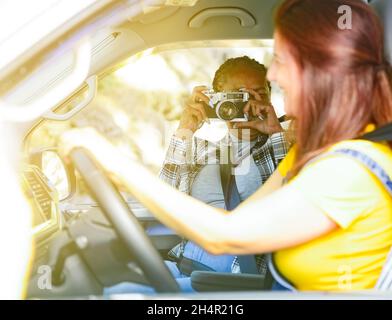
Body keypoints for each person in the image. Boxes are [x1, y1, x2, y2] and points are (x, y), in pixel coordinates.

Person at [61, 0, 392, 291]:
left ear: (319, 70)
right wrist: (185, 131)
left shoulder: (349, 169)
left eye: (281, 60)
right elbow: (234, 219)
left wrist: (112, 162)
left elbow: (225, 235)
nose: (274, 76)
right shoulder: (314, 153)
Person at [104, 57, 290, 294]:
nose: (247, 104)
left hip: (233, 281)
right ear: (217, 99)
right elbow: (164, 200)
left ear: (269, 97)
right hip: (184, 266)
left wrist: (276, 134)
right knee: (109, 285)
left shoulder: (282, 147)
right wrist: (185, 129)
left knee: (123, 295)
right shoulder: (202, 150)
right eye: (238, 95)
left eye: (258, 94)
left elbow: (292, 202)